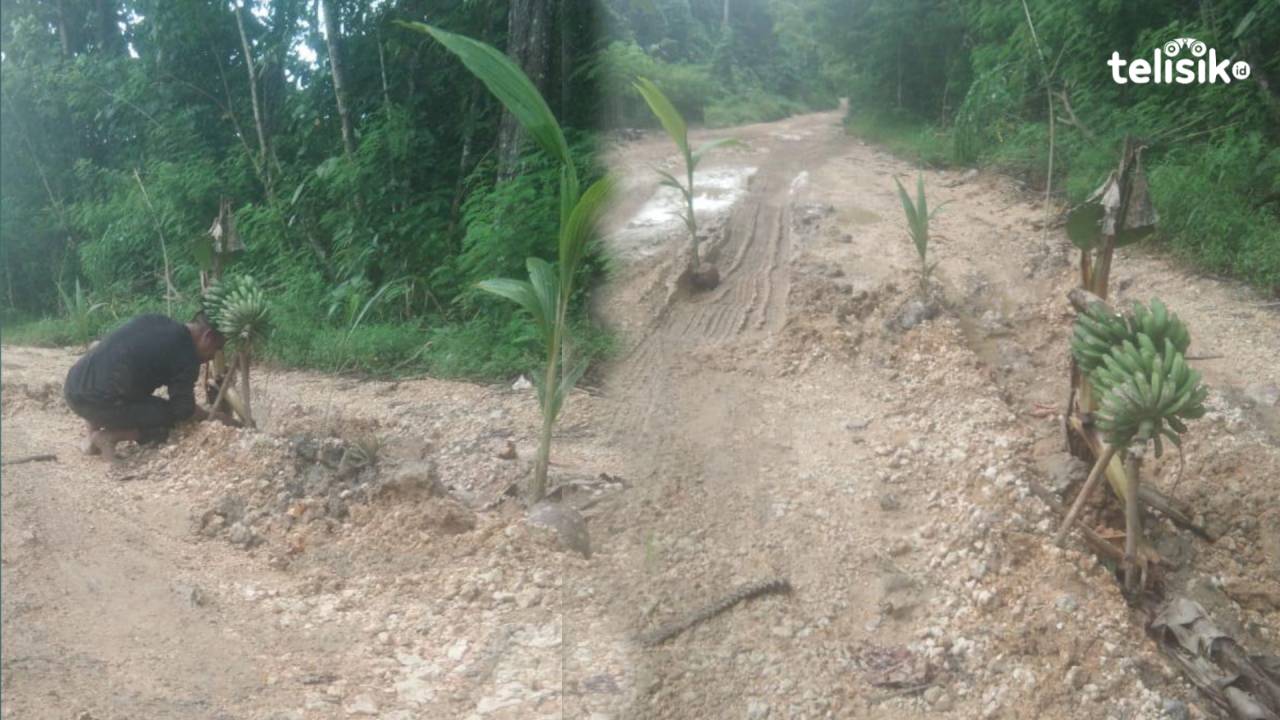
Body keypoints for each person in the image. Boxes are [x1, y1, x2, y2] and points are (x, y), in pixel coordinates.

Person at [64, 312, 232, 458]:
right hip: (98, 402)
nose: (213, 356)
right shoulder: (186, 353)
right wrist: (213, 417)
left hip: (73, 387)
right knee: (170, 419)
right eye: (217, 348)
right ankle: (109, 436)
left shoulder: (156, 320)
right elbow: (183, 410)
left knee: (113, 379)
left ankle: (91, 434)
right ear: (208, 336)